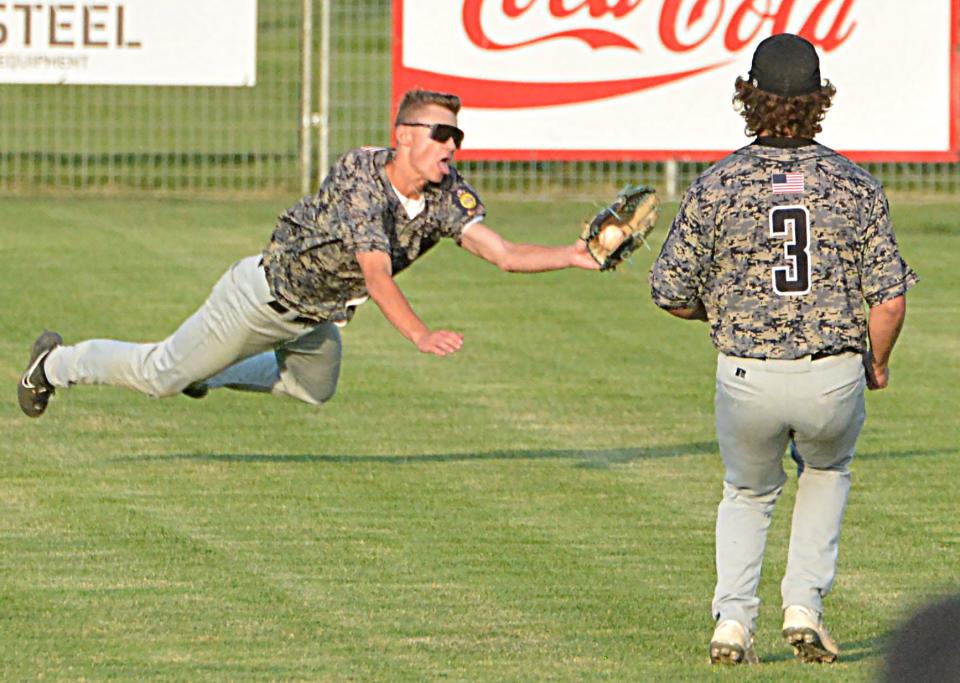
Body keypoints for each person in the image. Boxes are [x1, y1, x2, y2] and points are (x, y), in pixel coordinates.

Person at [18, 89, 599, 418]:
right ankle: (55, 364)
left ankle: (210, 372)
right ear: (403, 135)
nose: (452, 145)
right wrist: (419, 335)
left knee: (312, 389)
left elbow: (500, 251)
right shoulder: (360, 178)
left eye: (457, 136)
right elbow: (376, 275)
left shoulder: (447, 193)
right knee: (161, 375)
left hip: (317, 318)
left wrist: (571, 256)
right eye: (440, 134)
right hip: (259, 300)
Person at [649, 34, 917, 665]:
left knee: (747, 492)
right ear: (819, 100)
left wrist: (728, 313)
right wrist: (876, 363)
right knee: (824, 474)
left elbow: (669, 291)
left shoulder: (717, 184)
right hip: (831, 374)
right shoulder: (854, 184)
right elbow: (890, 300)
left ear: (749, 98)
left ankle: (733, 621)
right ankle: (803, 606)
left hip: (746, 374)